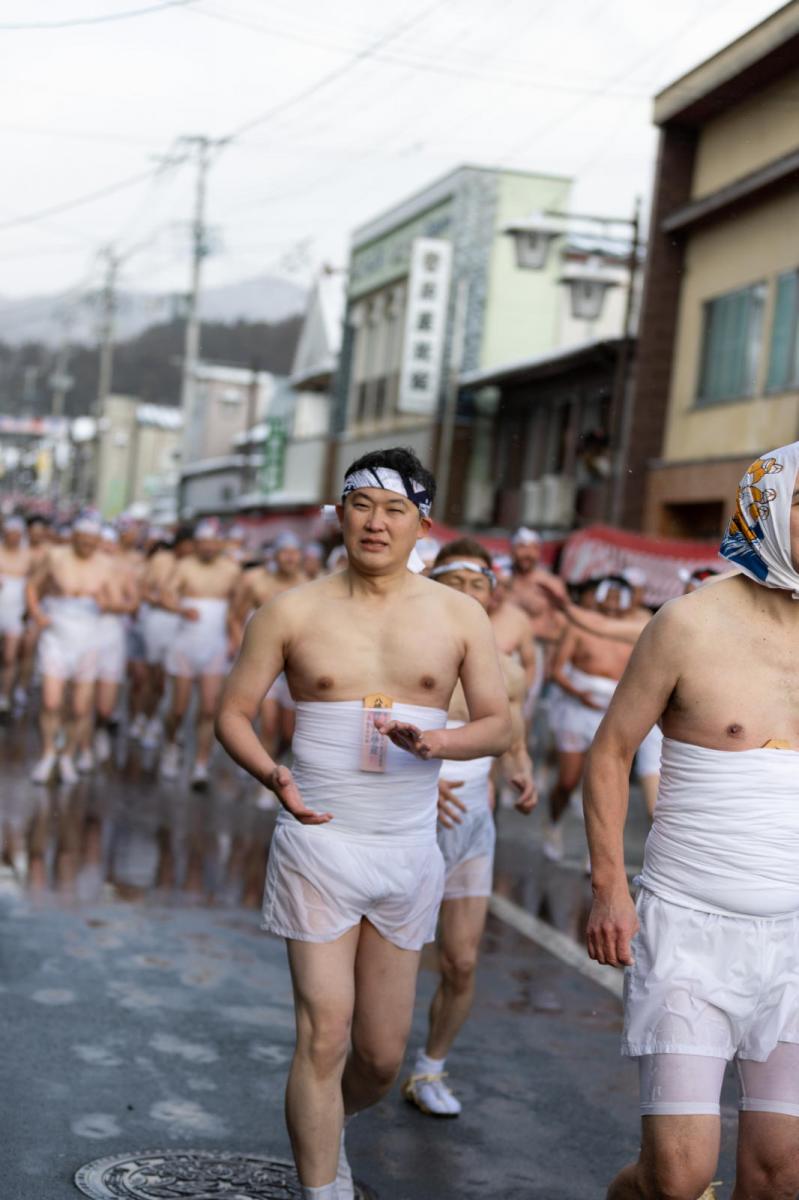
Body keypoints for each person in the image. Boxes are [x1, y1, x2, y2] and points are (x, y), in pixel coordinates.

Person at [215, 447, 511, 1200]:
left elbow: (498, 725)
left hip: (407, 849)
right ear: (339, 512)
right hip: (317, 840)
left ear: (421, 523)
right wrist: (272, 773)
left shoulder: (458, 615)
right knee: (325, 1036)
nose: (375, 523)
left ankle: (322, 1126)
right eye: (361, 505)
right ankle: (321, 1186)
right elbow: (232, 715)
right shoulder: (290, 610)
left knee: (378, 1058)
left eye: (394, 509)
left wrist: (439, 742)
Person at [585, 442, 799, 1200]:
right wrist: (609, 888)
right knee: (675, 1179)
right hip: (689, 932)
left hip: (793, 943)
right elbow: (608, 754)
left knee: (779, 1178)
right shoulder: (687, 624)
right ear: (765, 511)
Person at [403, 538, 536, 1117]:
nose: (465, 596)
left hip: (473, 824)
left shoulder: (502, 664)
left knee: (460, 961)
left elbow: (511, 726)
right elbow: (370, 720)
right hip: (405, 816)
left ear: (490, 594)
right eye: (453, 584)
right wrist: (418, 780)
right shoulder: (405, 648)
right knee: (392, 959)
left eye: (476, 586)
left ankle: (429, 1068)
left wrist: (521, 770)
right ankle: (354, 1056)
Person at [26, 518, 114, 785]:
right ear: (74, 537)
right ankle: (48, 753)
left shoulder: (107, 564)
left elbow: (116, 600)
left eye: (91, 542)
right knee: (51, 701)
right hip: (57, 632)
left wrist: (105, 603)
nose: (86, 546)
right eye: (82, 540)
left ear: (98, 542)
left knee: (79, 707)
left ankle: (67, 755)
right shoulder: (55, 556)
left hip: (89, 635)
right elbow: (33, 586)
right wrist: (37, 614)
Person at [161, 521, 241, 787]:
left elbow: (236, 609)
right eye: (203, 542)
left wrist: (234, 637)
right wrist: (181, 609)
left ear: (219, 543)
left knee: (209, 708)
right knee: (179, 708)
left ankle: (200, 764)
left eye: (212, 541)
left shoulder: (231, 569)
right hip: (185, 643)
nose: (208, 547)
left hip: (215, 645)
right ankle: (171, 745)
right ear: (196, 544)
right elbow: (166, 595)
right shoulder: (184, 566)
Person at [230, 530, 307, 758]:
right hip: (265, 663)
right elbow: (235, 617)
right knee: (269, 724)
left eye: (294, 553)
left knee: (288, 732)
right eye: (284, 553)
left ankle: (270, 760)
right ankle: (265, 782)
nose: (289, 558)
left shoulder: (308, 585)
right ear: (275, 556)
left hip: (294, 666)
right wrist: (241, 651)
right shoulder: (257, 582)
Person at [138, 525, 194, 747]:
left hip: (187, 626)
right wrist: (161, 602)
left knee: (179, 679)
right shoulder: (161, 560)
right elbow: (143, 589)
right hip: (160, 621)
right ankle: (148, 717)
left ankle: (170, 725)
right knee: (157, 678)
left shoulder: (195, 566)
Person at [89, 526, 139, 767]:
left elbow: (133, 603)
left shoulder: (123, 571)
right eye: (102, 543)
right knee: (79, 691)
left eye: (110, 544)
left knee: (105, 704)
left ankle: (99, 729)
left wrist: (111, 606)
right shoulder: (81, 568)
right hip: (81, 633)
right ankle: (77, 743)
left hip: (111, 636)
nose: (106, 548)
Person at [0, 516, 32, 713]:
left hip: (16, 612)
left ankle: (4, 694)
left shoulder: (27, 556)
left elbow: (33, 587)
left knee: (10, 656)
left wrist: (29, 612)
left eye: (18, 534)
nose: (14, 537)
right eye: (11, 533)